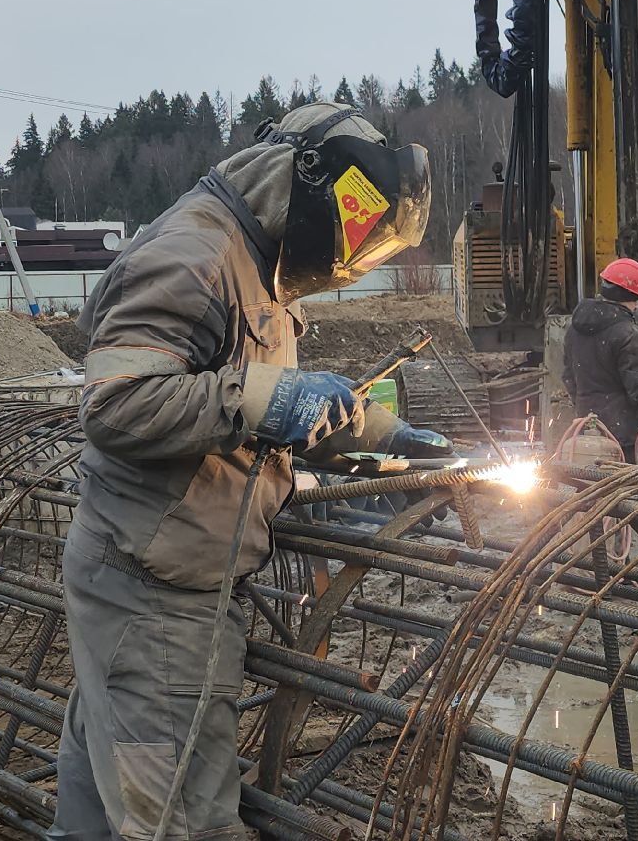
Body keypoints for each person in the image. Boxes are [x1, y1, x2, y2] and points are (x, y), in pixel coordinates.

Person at [48, 102, 451, 841]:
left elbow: (261, 407)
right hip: (155, 594)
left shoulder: (255, 262)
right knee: (182, 819)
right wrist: (269, 398)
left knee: (105, 805)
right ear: (305, 186)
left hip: (159, 577)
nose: (348, 259)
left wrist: (387, 437)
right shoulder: (196, 254)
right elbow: (116, 403)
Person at [561, 257, 638, 458]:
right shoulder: (627, 333)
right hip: (621, 434)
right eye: (636, 300)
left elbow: (569, 377)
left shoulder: (574, 329)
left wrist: (587, 409)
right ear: (628, 296)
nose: (636, 306)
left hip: (586, 429)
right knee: (624, 478)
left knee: (588, 476)